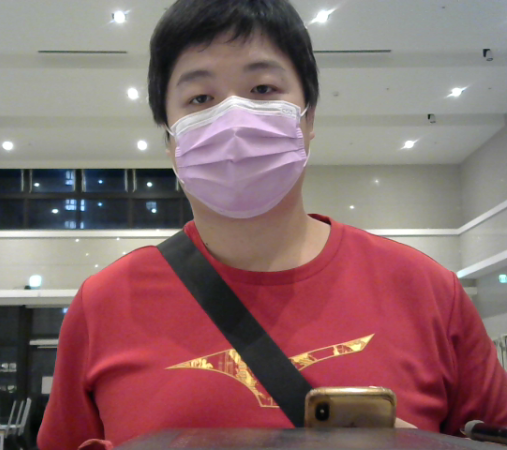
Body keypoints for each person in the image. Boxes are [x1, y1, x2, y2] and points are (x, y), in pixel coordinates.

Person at [38, 0, 507, 448]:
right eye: (200, 98)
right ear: (170, 140)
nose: (233, 119)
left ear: (308, 118)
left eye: (263, 89)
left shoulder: (426, 291)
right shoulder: (104, 305)